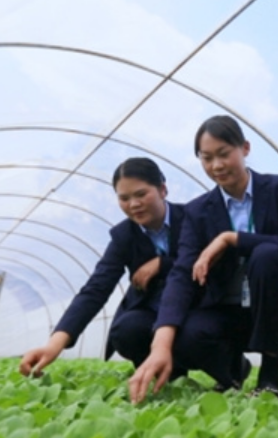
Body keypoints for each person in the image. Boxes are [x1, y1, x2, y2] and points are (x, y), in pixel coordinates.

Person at [129, 115, 278, 402]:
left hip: (275, 309)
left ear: (245, 148)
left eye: (224, 154)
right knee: (189, 335)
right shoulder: (198, 211)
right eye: (206, 158)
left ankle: (269, 375)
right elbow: (182, 272)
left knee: (267, 255)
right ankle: (232, 373)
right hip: (229, 310)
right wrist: (161, 341)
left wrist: (231, 239)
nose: (216, 165)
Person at [19, 157, 184, 376]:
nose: (133, 204)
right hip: (151, 308)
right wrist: (54, 343)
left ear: (163, 190)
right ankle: (170, 378)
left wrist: (163, 264)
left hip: (194, 304)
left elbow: (211, 260)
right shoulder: (123, 236)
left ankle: (230, 372)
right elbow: (96, 288)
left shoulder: (190, 218)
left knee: (198, 331)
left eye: (141, 194)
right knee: (128, 330)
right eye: (124, 198)